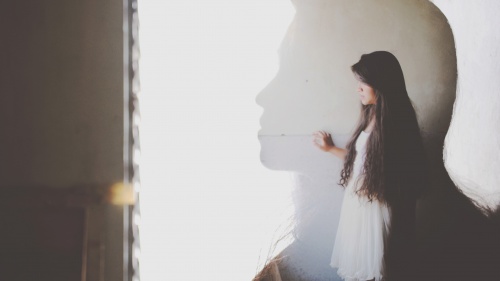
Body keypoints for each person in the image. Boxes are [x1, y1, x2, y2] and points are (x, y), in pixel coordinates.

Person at [313, 51, 428, 281]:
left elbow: (398, 174)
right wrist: (330, 149)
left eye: (363, 82)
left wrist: (375, 188)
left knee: (381, 268)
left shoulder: (396, 124)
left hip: (377, 207)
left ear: (381, 83)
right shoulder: (371, 114)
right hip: (360, 204)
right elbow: (363, 160)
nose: (358, 88)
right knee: (363, 269)